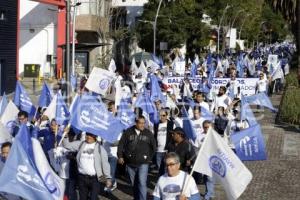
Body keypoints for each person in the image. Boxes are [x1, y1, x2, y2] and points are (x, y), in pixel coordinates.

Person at [63, 132, 112, 200]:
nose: (88, 137)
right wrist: (65, 136)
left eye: (91, 135)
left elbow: (105, 164)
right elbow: (67, 145)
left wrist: (108, 178)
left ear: (95, 137)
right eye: (87, 135)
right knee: (82, 198)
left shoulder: (100, 149)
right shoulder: (80, 144)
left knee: (93, 198)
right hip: (81, 177)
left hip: (96, 179)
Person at [117, 115, 156, 200]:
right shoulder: (128, 132)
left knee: (142, 183)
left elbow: (154, 147)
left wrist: (148, 158)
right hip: (130, 163)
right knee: (134, 184)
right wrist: (120, 156)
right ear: (136, 123)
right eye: (140, 123)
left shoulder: (148, 133)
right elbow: (121, 144)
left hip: (143, 163)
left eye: (143, 123)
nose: (142, 125)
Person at [154, 110, 175, 176]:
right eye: (160, 115)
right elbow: (155, 136)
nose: (162, 117)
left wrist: (170, 147)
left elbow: (173, 137)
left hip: (167, 150)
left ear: (166, 116)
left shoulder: (171, 124)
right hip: (158, 150)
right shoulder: (156, 124)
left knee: (167, 168)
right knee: (159, 168)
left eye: (163, 115)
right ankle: (161, 181)